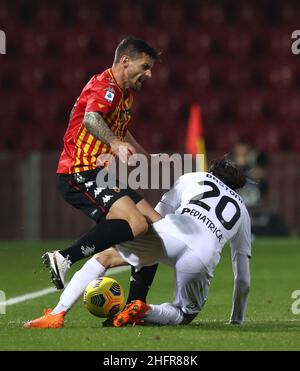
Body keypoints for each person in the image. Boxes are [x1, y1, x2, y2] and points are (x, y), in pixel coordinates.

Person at [24, 158, 251, 329]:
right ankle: (143, 310)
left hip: (171, 232)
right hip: (202, 255)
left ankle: (57, 313)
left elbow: (158, 214)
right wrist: (236, 320)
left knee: (103, 257)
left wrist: (146, 252)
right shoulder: (242, 210)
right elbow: (242, 278)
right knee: (185, 314)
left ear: (211, 171)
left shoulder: (193, 177)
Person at [43, 36, 162, 307]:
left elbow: (121, 126)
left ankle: (135, 306)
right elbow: (91, 118)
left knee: (157, 225)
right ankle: (65, 257)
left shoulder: (126, 93)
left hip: (98, 173)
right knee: (137, 223)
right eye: (145, 66)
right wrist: (114, 143)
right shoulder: (104, 85)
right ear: (125, 61)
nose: (149, 74)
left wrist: (144, 156)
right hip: (78, 172)